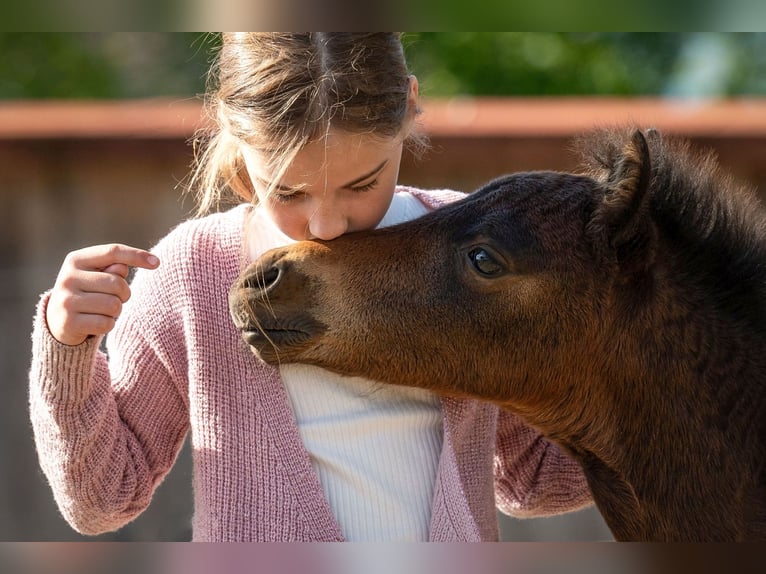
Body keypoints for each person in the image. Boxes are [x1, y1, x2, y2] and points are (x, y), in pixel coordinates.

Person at [29, 32, 592, 542]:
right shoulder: (192, 273)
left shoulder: (467, 253)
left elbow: (530, 477)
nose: (327, 225)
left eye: (362, 183)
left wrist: (671, 415)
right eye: (289, 191)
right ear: (231, 131)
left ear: (410, 106)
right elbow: (101, 501)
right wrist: (67, 349)